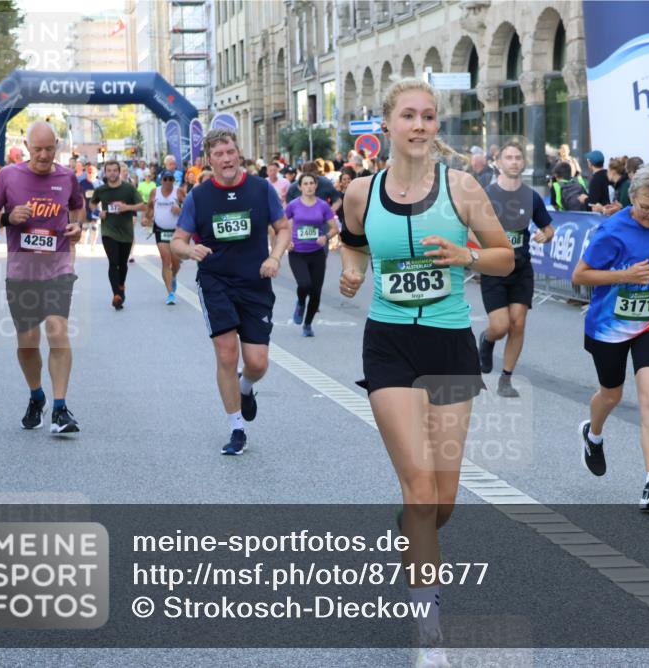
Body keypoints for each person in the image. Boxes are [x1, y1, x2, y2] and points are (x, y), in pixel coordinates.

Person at [338, 78, 513, 665]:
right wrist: (354, 271)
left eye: (429, 117)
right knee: (416, 485)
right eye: (408, 116)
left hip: (449, 344)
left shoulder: (461, 187)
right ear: (386, 123)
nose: (419, 126)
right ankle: (429, 632)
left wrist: (468, 255)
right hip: (388, 343)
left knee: (442, 500)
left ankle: (415, 526)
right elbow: (355, 243)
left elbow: (504, 255)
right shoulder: (360, 192)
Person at [571, 164, 649, 511]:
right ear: (632, 197)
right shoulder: (611, 231)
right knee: (611, 393)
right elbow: (581, 275)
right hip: (609, 325)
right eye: (645, 208)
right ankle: (592, 433)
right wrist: (625, 274)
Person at [171, 129, 290, 455]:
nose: (226, 159)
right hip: (216, 282)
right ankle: (236, 428)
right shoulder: (199, 196)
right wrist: (188, 251)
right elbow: (177, 240)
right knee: (226, 352)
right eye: (219, 154)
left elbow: (282, 229)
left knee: (258, 362)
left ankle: (246, 386)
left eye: (230, 152)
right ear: (209, 159)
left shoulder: (261, 188)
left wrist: (274, 256)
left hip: (255, 282)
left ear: (239, 153)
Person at [0, 121, 85, 434]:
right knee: (27, 341)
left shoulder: (67, 177)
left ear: (57, 148)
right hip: (21, 272)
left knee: (57, 329)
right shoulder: (8, 176)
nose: (43, 155)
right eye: (37, 149)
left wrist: (78, 227)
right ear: (27, 147)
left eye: (49, 149)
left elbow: (79, 209)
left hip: (58, 267)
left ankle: (61, 408)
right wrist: (7, 218)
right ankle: (37, 394)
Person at [477, 140, 555, 397]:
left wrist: (546, 236)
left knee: (518, 323)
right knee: (500, 326)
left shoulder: (530, 197)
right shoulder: (486, 195)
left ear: (523, 163)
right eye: (508, 157)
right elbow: (470, 226)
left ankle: (506, 379)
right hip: (494, 268)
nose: (514, 162)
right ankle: (487, 340)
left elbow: (548, 228)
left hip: (521, 268)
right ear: (498, 162)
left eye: (518, 158)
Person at [285, 173, 339, 337]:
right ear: (300, 187)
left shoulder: (323, 206)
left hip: (317, 253)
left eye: (311, 183)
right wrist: (287, 241)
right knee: (304, 284)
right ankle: (301, 303)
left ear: (316, 186)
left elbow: (334, 228)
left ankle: (307, 324)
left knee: (316, 291)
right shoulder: (293, 205)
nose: (309, 186)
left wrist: (326, 237)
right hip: (297, 253)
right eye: (305, 184)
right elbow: (282, 226)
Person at [92, 160, 147, 309]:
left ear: (119, 171)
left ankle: (121, 286)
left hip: (126, 232)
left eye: (114, 170)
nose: (112, 173)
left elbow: (143, 205)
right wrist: (99, 212)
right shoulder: (101, 190)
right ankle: (116, 294)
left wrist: (127, 207)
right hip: (108, 231)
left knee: (122, 265)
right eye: (108, 170)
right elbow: (92, 205)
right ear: (105, 172)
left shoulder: (128, 189)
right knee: (113, 262)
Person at [143, 169, 183, 304]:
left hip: (176, 231)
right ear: (161, 180)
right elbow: (149, 207)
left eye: (170, 179)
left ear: (173, 180)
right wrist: (146, 218)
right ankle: (170, 293)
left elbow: (190, 209)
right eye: (165, 179)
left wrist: (179, 211)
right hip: (160, 230)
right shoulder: (155, 192)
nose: (167, 182)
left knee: (175, 263)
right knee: (166, 260)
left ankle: (174, 276)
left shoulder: (179, 192)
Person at [582, 150, 614, 214]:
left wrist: (584, 199)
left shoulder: (595, 180)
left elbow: (592, 204)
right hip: (613, 212)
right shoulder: (609, 175)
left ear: (590, 163)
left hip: (602, 216)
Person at [78, 165, 102, 248]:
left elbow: (104, 197)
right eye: (89, 172)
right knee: (84, 228)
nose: (91, 174)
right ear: (86, 173)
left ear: (96, 173)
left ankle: (93, 245)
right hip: (85, 209)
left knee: (95, 228)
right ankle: (83, 243)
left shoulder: (100, 183)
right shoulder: (82, 183)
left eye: (92, 173)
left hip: (96, 209)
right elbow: (78, 196)